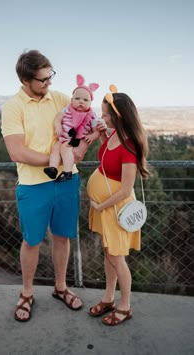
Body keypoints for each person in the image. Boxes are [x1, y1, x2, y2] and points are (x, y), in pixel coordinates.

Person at [1, 50, 88, 322]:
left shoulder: (61, 98)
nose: (49, 83)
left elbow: (85, 123)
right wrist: (58, 161)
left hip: (67, 183)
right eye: (42, 79)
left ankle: (61, 287)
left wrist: (82, 148)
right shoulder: (13, 107)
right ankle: (26, 294)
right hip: (32, 186)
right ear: (26, 80)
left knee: (63, 236)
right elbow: (17, 152)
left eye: (51, 76)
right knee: (31, 241)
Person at [87, 84, 150, 326]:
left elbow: (125, 189)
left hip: (114, 209)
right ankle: (109, 298)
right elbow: (106, 159)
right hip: (105, 208)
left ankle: (125, 307)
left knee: (117, 258)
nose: (100, 118)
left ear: (118, 116)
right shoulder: (114, 136)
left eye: (105, 114)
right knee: (108, 253)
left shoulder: (129, 147)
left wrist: (101, 206)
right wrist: (103, 136)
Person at [44, 75, 100, 182]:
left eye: (85, 100)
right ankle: (53, 168)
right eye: (77, 98)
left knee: (65, 148)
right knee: (55, 148)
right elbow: (58, 117)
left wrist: (92, 136)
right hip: (64, 137)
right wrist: (58, 125)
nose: (81, 102)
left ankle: (67, 172)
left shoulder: (92, 115)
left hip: (77, 139)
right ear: (71, 99)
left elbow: (96, 131)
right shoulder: (67, 109)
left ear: (90, 103)